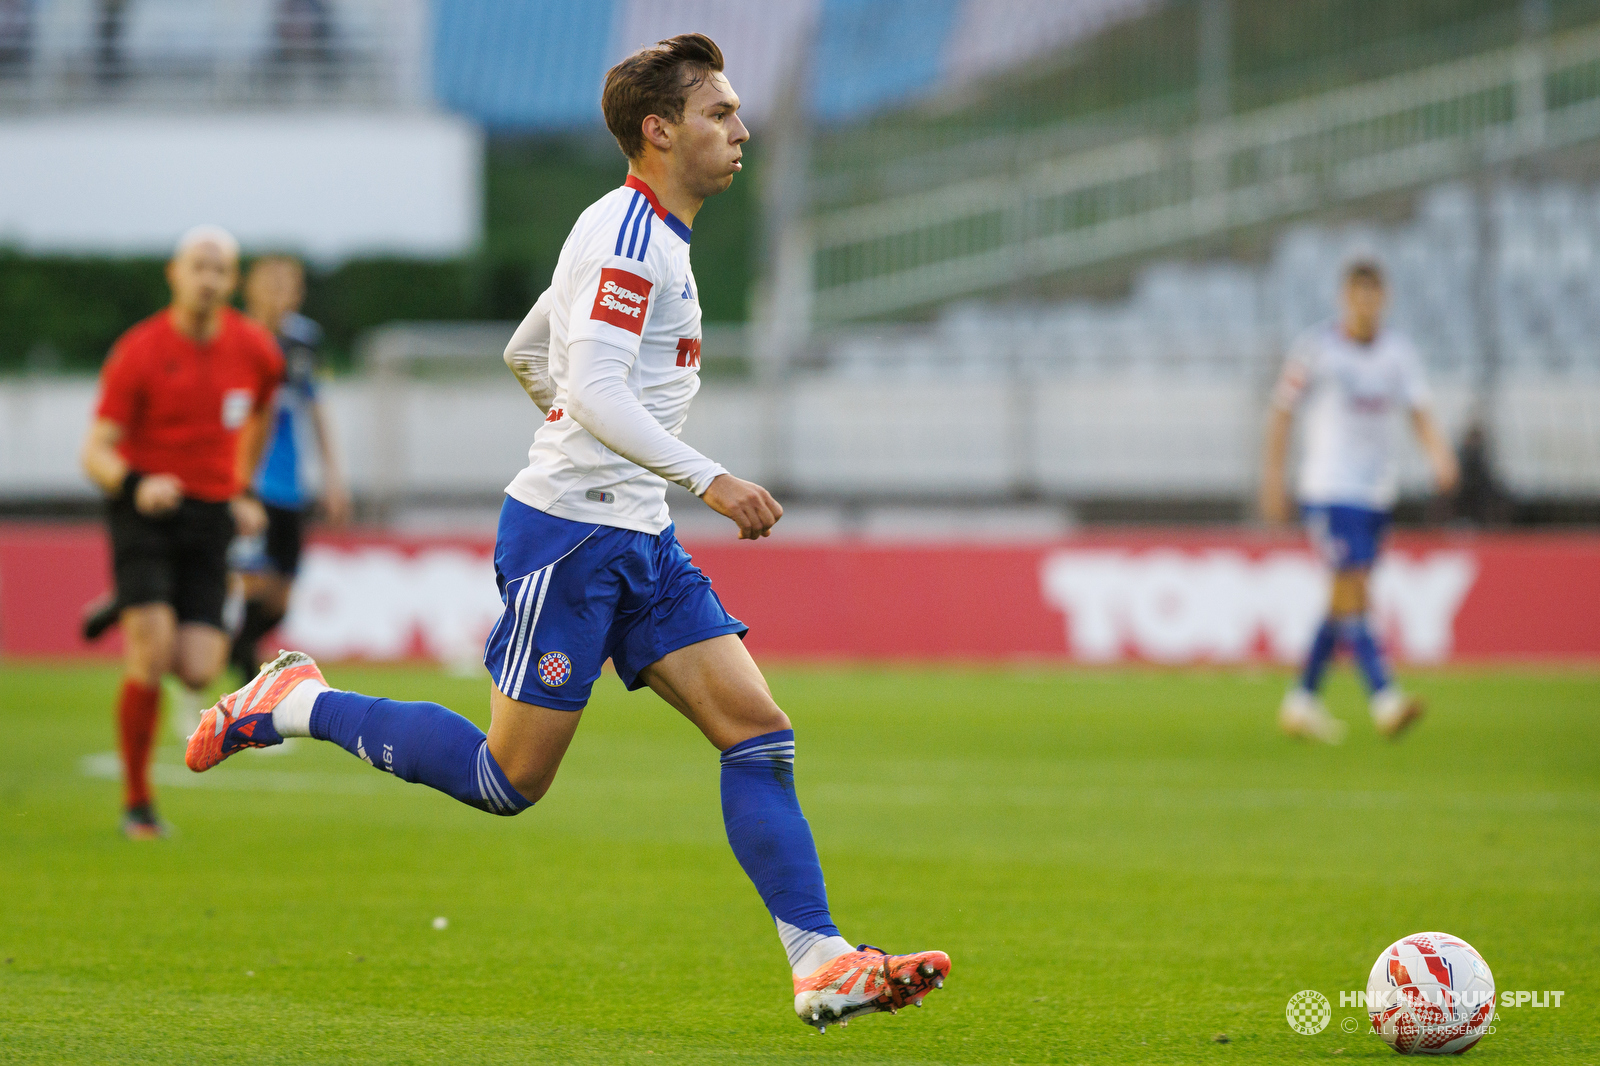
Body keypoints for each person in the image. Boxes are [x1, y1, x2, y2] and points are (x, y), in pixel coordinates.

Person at [185, 34, 950, 1033]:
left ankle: (821, 962)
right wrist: (706, 477)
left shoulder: (640, 230)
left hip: (634, 531)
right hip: (573, 540)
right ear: (659, 130)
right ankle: (296, 702)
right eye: (719, 112)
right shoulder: (630, 239)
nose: (740, 128)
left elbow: (528, 351)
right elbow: (587, 385)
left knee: (757, 731)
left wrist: (600, 447)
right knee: (505, 781)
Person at [80, 226, 282, 838]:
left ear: (233, 281)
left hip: (210, 515)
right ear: (175, 273)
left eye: (220, 269)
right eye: (199, 266)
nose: (208, 279)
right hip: (145, 510)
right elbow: (94, 451)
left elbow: (263, 412)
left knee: (197, 669)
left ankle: (124, 601)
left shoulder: (256, 351)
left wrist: (242, 487)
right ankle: (138, 804)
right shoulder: (140, 351)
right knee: (150, 653)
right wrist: (136, 482)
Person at [1261, 259, 1459, 743]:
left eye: (1373, 295)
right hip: (1329, 489)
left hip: (1374, 493)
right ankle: (1385, 699)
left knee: (1343, 599)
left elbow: (1419, 409)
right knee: (1354, 590)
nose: (1365, 304)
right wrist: (1273, 479)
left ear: (1384, 299)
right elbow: (1282, 412)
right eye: (1357, 295)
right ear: (1343, 299)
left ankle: (1300, 701)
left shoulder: (1398, 353)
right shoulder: (1316, 350)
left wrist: (1439, 456)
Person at [229, 255, 351, 681]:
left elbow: (316, 410)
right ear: (250, 289)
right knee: (254, 584)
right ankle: (242, 692)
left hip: (290, 483)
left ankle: (229, 651)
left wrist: (333, 480)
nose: (280, 295)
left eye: (289, 286)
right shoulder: (234, 338)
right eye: (272, 284)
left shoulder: (305, 340)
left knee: (279, 603)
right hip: (247, 481)